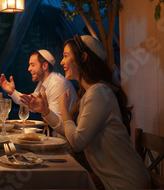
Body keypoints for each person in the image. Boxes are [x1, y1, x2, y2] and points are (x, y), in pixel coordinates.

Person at [58, 35, 150, 190]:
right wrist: (45, 111)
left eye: (66, 56)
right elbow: (73, 133)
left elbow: (78, 142)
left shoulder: (99, 93)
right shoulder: (92, 92)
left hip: (127, 183)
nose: (61, 62)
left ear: (83, 57)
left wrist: (64, 110)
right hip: (115, 181)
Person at [0, 49, 77, 133]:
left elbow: (57, 122)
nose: (29, 69)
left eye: (32, 65)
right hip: (54, 135)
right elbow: (30, 102)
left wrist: (43, 109)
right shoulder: (43, 82)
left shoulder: (58, 84)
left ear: (44, 66)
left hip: (65, 140)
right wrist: (12, 92)